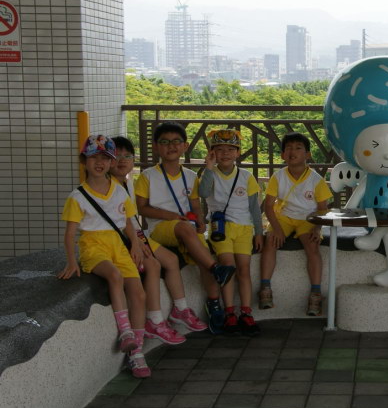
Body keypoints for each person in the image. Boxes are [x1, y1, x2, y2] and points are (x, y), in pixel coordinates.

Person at [58, 135, 150, 378]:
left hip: (118, 246)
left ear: (111, 162)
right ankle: (126, 332)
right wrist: (71, 261)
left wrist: (136, 246)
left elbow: (128, 222)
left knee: (139, 294)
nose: (100, 163)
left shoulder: (119, 190)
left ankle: (137, 353)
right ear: (84, 161)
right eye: (94, 157)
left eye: (105, 158)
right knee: (114, 276)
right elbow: (70, 234)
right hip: (93, 246)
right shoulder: (77, 196)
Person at [134, 122, 236, 335]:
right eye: (164, 142)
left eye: (176, 141)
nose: (171, 146)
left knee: (204, 257)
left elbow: (195, 206)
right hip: (159, 229)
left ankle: (214, 304)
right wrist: (170, 216)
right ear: (156, 147)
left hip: (185, 229)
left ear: (185, 146)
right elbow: (141, 208)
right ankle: (217, 270)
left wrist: (200, 221)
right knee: (186, 231)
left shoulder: (190, 176)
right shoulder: (147, 176)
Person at [110, 136, 207, 345]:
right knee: (153, 265)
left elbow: (131, 220)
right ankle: (154, 320)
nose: (122, 160)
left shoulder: (126, 182)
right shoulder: (110, 186)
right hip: (122, 241)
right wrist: (136, 243)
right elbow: (118, 223)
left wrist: (138, 239)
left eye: (128, 156)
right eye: (116, 156)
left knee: (171, 260)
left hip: (137, 235)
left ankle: (180, 309)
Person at [259, 133, 333, 316]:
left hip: (308, 219)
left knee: (312, 247)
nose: (293, 152)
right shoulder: (278, 176)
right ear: (283, 155)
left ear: (307, 154)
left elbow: (323, 208)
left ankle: (316, 293)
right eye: (289, 148)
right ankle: (265, 288)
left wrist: (317, 227)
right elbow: (268, 206)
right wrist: (276, 229)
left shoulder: (316, 179)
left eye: (298, 148)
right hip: (283, 217)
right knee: (270, 242)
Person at [199, 129, 263, 336]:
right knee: (227, 267)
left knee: (244, 270)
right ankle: (229, 313)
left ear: (238, 153)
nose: (225, 153)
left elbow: (254, 208)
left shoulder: (246, 176)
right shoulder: (209, 174)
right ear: (212, 153)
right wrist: (208, 167)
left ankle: (246, 312)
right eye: (219, 149)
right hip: (221, 229)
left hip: (244, 228)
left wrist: (259, 232)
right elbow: (202, 192)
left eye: (230, 149)